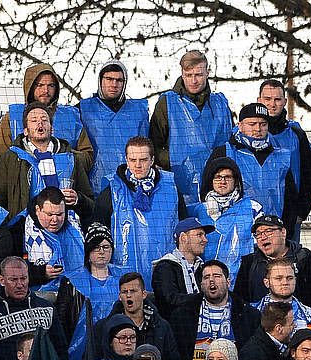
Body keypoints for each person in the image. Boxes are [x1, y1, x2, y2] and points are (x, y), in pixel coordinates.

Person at [93, 137, 186, 279]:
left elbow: (185, 229)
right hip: (125, 278)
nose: (137, 165)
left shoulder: (171, 188)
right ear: (126, 159)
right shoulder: (111, 192)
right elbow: (98, 233)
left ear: (152, 160)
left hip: (167, 276)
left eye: (143, 160)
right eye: (132, 160)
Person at [150, 50, 233, 205]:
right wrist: (172, 161)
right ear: (182, 74)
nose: (193, 80)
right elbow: (154, 143)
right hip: (178, 181)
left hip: (218, 183)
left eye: (198, 75)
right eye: (188, 75)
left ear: (207, 73)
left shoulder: (220, 104)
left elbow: (230, 142)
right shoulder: (167, 103)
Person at [0, 103, 91, 217]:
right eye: (34, 120)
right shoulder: (10, 159)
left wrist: (78, 199)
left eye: (44, 119)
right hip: (21, 230)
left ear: (52, 129)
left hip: (64, 227)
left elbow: (90, 203)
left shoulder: (71, 158)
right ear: (26, 131)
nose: (40, 123)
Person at [209, 102, 299, 223]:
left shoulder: (281, 156)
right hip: (235, 229)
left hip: (272, 227)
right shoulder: (224, 152)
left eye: (263, 124)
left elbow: (290, 197)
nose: (258, 129)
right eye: (252, 124)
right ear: (240, 125)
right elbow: (208, 189)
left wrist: (287, 229)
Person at [167, 260, 261, 360]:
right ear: (201, 285)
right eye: (206, 277)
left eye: (216, 276)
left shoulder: (249, 315)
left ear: (228, 282)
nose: (211, 280)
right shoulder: (182, 316)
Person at [236, 214, 311, 319]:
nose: (263, 237)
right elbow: (241, 301)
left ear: (283, 233)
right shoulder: (249, 263)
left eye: (269, 231)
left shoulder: (306, 259)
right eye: (258, 234)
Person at [82, 61, 150, 195]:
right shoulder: (82, 109)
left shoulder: (138, 111)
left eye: (119, 80)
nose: (114, 84)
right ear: (100, 80)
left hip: (134, 185)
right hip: (94, 186)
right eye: (109, 79)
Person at [258, 80, 311, 236]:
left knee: (288, 258)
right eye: (267, 99)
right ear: (259, 101)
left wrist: (302, 210)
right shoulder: (246, 133)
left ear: (284, 101)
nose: (272, 104)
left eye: (277, 99)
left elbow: (307, 174)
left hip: (290, 213)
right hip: (256, 212)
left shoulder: (296, 134)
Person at [0, 63, 83, 153]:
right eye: (40, 85)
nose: (46, 90)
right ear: (30, 87)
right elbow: (1, 160)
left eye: (51, 85)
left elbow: (86, 154)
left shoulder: (72, 117)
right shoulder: (11, 118)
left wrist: (67, 160)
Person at [152, 218, 214, 317]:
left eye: (205, 235)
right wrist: (204, 298)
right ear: (183, 238)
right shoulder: (165, 267)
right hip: (178, 328)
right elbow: (169, 300)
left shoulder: (202, 268)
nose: (205, 240)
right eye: (199, 235)